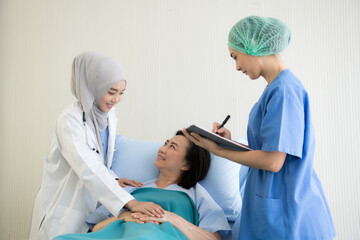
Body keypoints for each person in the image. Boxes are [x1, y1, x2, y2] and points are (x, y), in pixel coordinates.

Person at [182, 16, 336, 239]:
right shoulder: (276, 88)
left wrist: (217, 150)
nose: (236, 66)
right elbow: (268, 149)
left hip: (285, 209)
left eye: (235, 57)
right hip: (274, 205)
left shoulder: (284, 91)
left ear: (252, 44)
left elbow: (273, 162)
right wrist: (230, 142)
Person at [29, 52, 164, 240]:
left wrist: (114, 178)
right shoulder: (70, 121)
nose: (116, 99)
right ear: (93, 87)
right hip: (63, 208)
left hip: (89, 207)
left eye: (121, 93)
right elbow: (88, 167)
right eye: (111, 92)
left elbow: (99, 159)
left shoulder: (108, 116)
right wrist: (130, 202)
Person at [54, 131, 231, 240]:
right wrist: (125, 216)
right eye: (165, 143)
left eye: (172, 147)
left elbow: (213, 238)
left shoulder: (196, 194)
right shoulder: (132, 189)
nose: (162, 149)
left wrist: (172, 218)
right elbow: (95, 228)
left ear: (186, 164)